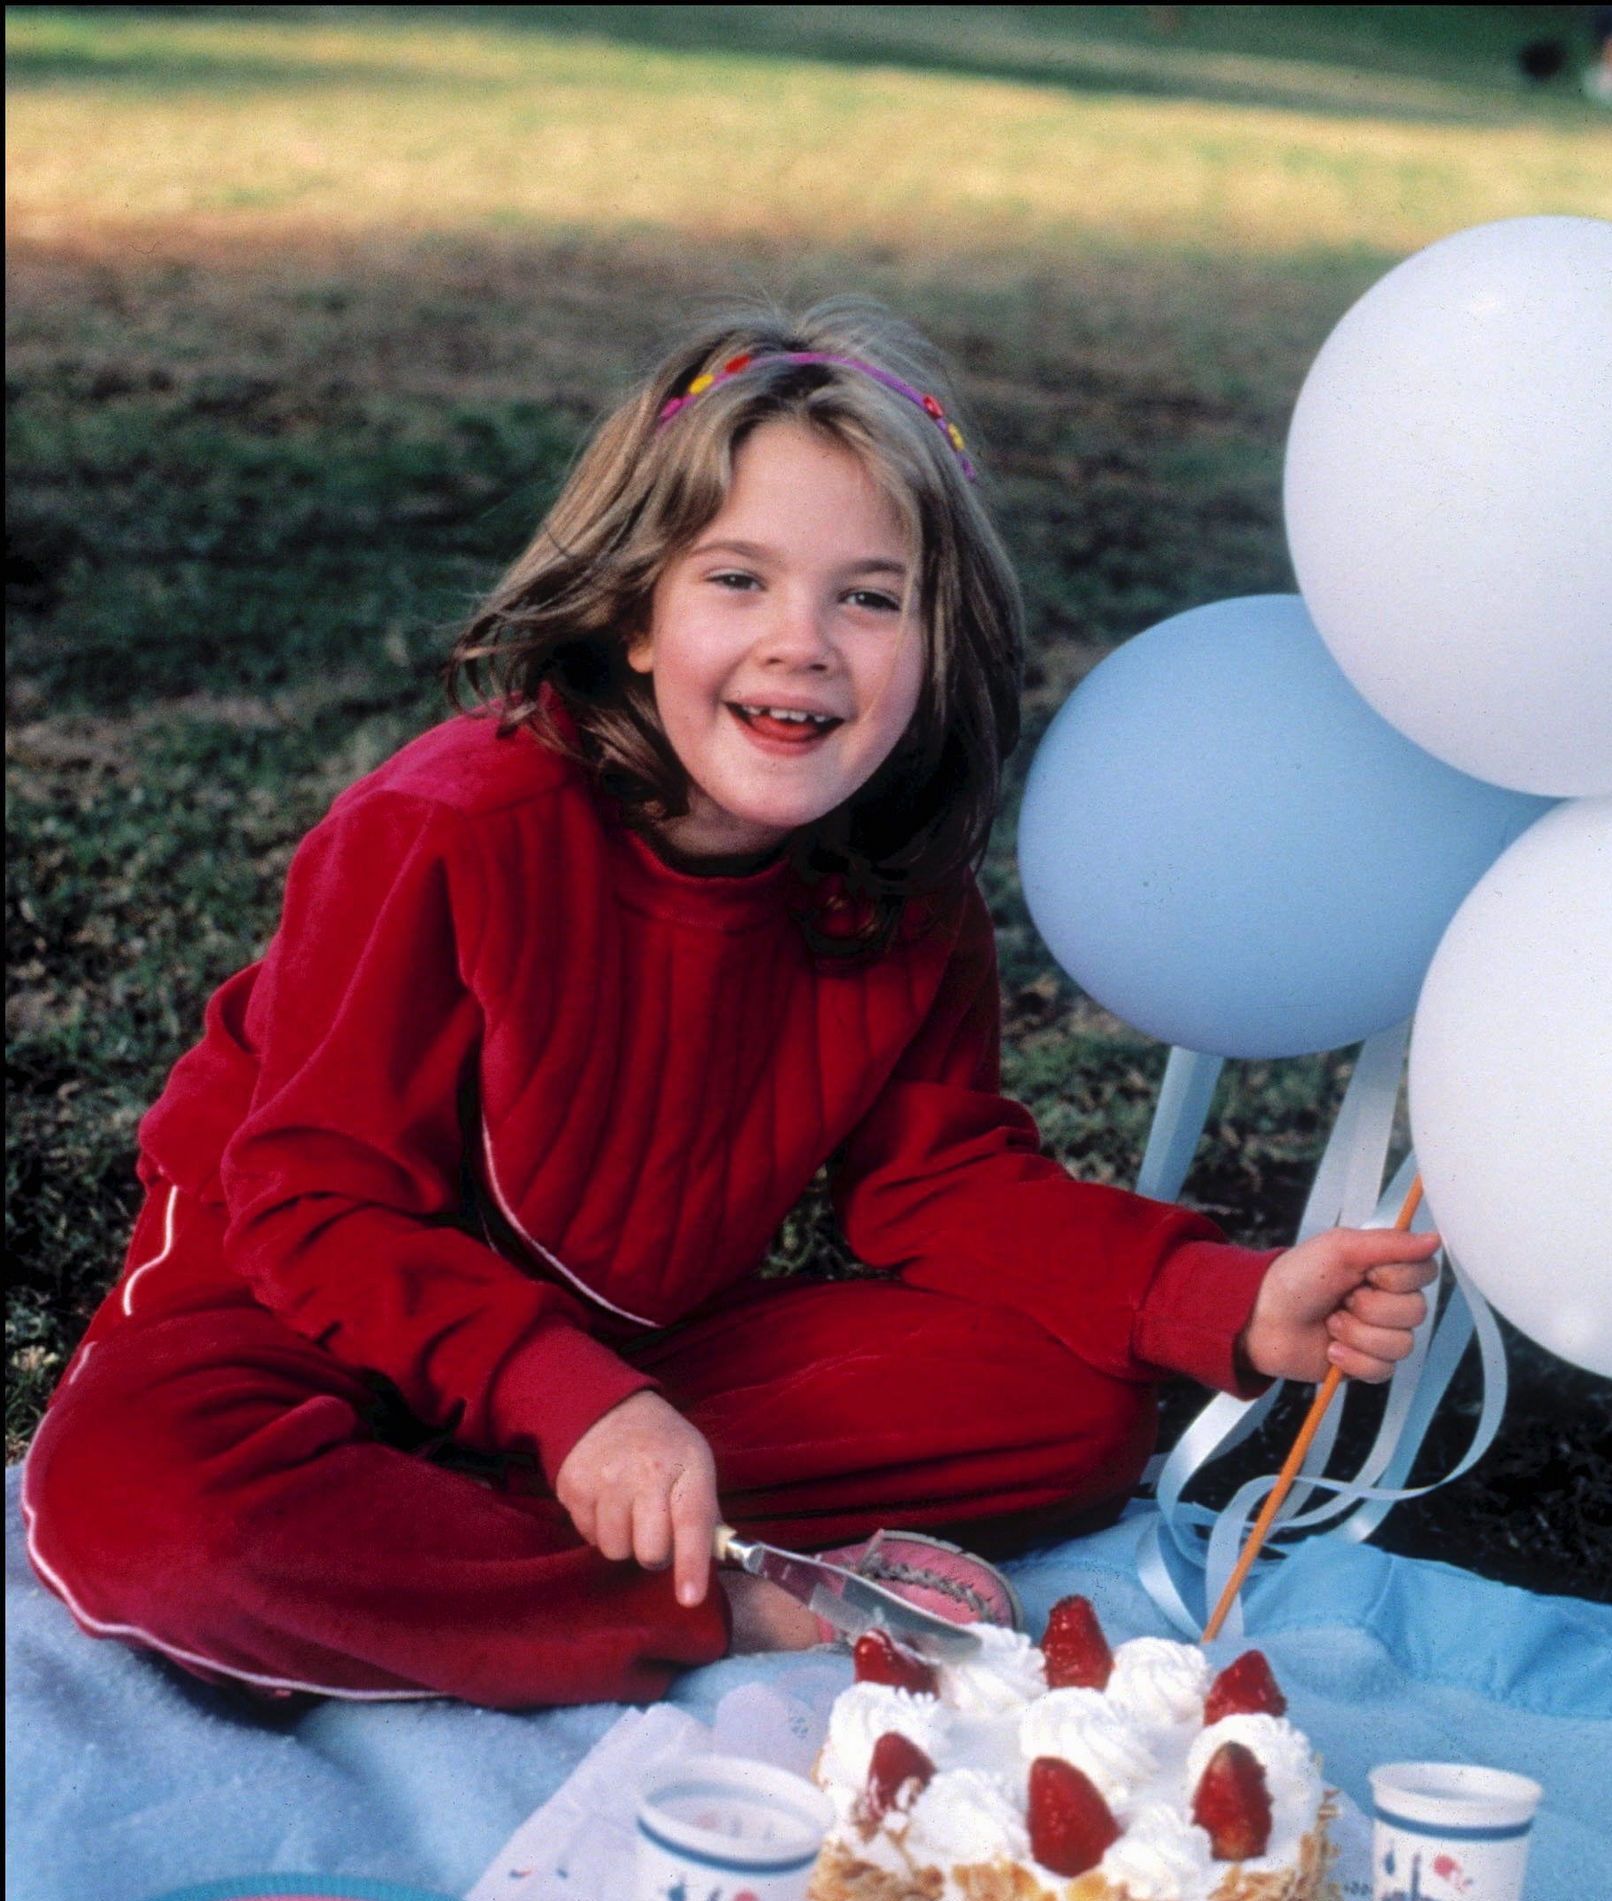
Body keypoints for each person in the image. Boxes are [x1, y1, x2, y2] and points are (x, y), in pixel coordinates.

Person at [22, 299, 1439, 1709]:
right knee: (148, 1519)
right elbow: (313, 1207)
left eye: (868, 597)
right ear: (634, 615)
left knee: (1073, 1410)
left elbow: (939, 1188)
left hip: (624, 1350)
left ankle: (465, 1539)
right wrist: (572, 1402)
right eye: (738, 581)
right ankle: (725, 1605)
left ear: (933, 647)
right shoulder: (443, 830)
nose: (803, 641)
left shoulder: (890, 898)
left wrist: (1228, 1300)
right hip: (292, 1315)